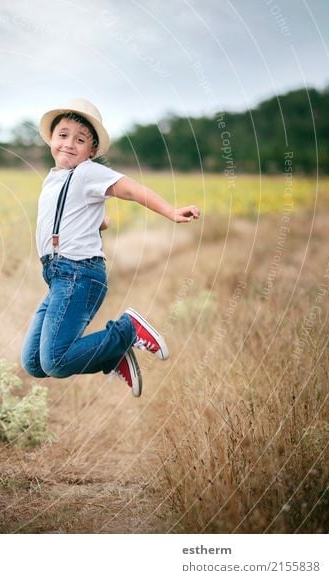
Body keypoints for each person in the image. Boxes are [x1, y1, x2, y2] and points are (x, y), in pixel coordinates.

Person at [20, 98, 200, 396]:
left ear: (91, 151)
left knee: (56, 361)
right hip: (56, 277)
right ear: (51, 139)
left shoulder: (88, 171)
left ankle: (127, 329)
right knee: (35, 364)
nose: (69, 144)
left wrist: (170, 211)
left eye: (80, 140)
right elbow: (73, 211)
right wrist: (98, 220)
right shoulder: (54, 179)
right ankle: (112, 354)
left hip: (78, 273)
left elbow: (129, 188)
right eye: (63, 135)